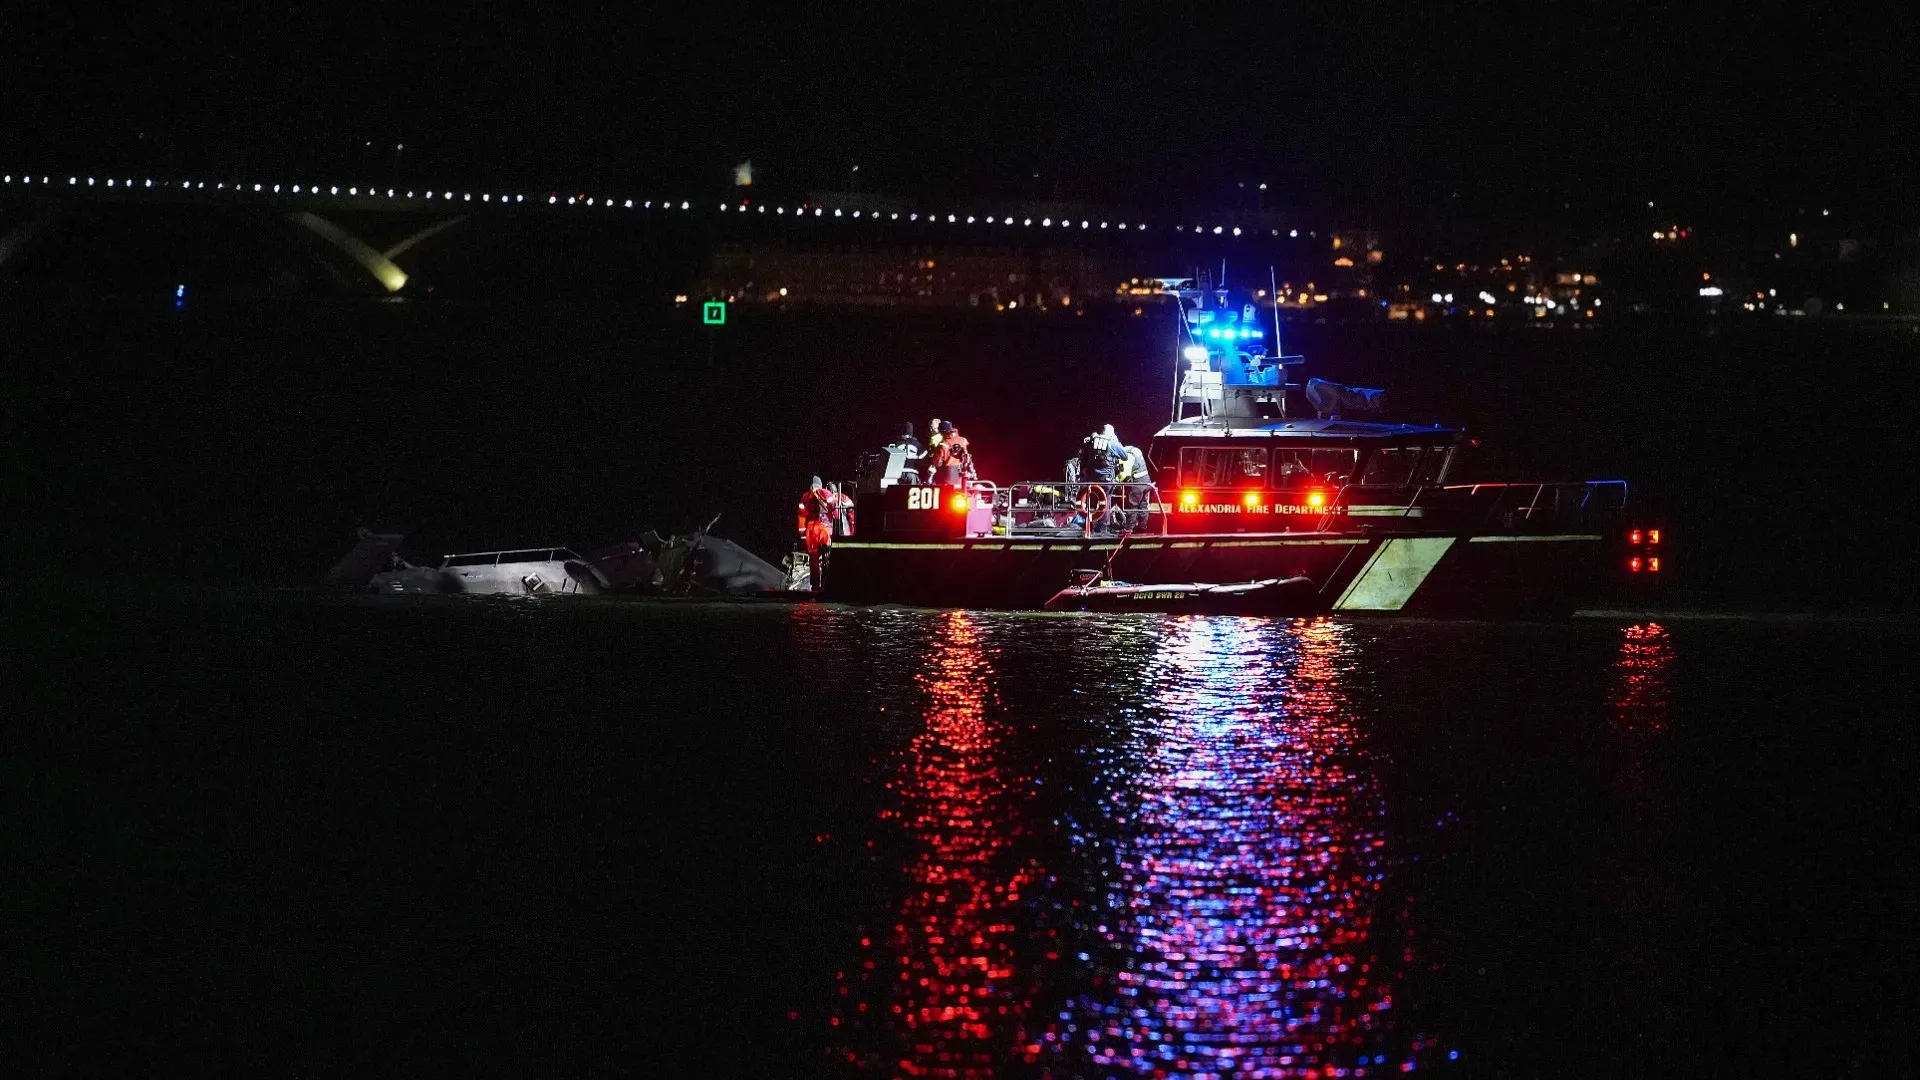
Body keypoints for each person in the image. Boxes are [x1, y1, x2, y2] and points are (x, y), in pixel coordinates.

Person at [796, 475, 844, 590]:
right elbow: (834, 507)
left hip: (810, 530)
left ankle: (815, 585)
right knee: (827, 555)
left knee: (814, 558)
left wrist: (802, 533)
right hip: (824, 528)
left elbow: (801, 515)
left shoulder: (805, 496)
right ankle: (827, 583)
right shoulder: (825, 493)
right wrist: (837, 524)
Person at [929, 420, 970, 485]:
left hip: (948, 474)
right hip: (962, 473)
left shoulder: (943, 444)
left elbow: (938, 462)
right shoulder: (963, 440)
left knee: (946, 493)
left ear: (943, 432)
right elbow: (967, 455)